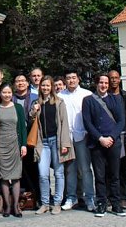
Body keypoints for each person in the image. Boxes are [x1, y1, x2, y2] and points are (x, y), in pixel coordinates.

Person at [82, 74, 126, 217]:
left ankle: (116, 204)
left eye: (106, 83)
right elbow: (87, 122)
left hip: (113, 142)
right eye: (101, 82)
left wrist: (112, 137)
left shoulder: (115, 99)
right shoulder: (88, 100)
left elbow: (121, 121)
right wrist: (100, 138)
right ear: (96, 83)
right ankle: (101, 203)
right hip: (97, 143)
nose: (104, 85)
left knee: (114, 175)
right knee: (99, 176)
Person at [30, 76, 73, 216]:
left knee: (59, 173)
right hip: (43, 143)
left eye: (48, 85)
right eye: (43, 86)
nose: (45, 88)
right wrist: (34, 111)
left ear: (52, 87)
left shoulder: (59, 102)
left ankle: (57, 203)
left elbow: (64, 123)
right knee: (43, 174)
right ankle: (44, 203)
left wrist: (65, 143)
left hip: (57, 141)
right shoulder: (37, 102)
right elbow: (31, 119)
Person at [58, 71, 95, 211]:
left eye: (73, 78)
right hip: (67, 138)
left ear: (78, 79)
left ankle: (90, 196)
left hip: (82, 136)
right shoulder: (60, 96)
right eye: (68, 78)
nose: (71, 80)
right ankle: (71, 197)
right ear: (65, 80)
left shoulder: (87, 94)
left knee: (85, 169)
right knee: (70, 169)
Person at [0, 83, 27, 218]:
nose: (7, 95)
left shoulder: (18, 108)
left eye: (9, 93)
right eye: (4, 92)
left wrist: (23, 144)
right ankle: (7, 206)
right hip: (1, 146)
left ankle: (16, 206)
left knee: (15, 177)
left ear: (12, 94)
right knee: (3, 177)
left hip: (15, 144)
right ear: (0, 94)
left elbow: (22, 128)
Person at [12, 74, 39, 207]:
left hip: (31, 137)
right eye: (18, 81)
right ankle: (21, 196)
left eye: (23, 81)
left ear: (27, 84)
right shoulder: (10, 98)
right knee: (18, 169)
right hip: (14, 137)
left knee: (32, 168)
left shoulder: (35, 98)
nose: (20, 83)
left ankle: (34, 196)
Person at [109, 70, 126, 209]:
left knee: (124, 169)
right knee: (109, 169)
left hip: (123, 137)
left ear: (120, 79)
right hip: (109, 137)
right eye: (111, 78)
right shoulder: (104, 96)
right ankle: (109, 196)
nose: (113, 80)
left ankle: (123, 197)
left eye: (116, 78)